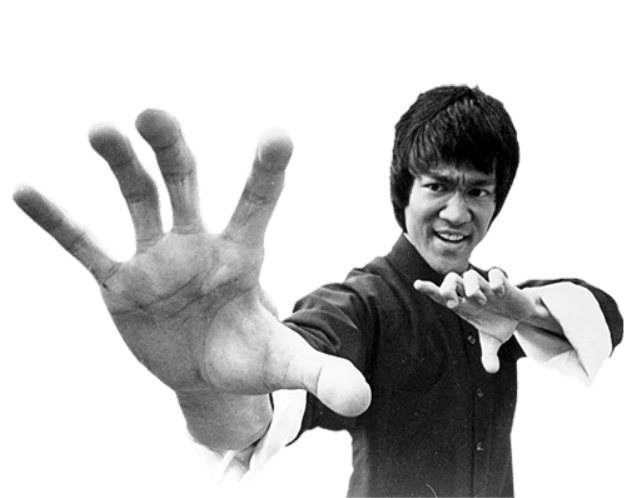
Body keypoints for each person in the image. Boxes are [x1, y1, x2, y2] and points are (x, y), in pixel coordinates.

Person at [13, 85, 623, 497]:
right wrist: (203, 385)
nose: (457, 213)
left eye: (478, 190)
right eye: (438, 186)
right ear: (403, 191)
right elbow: (271, 397)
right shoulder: (363, 303)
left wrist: (525, 309)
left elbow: (605, 318)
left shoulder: (496, 301)